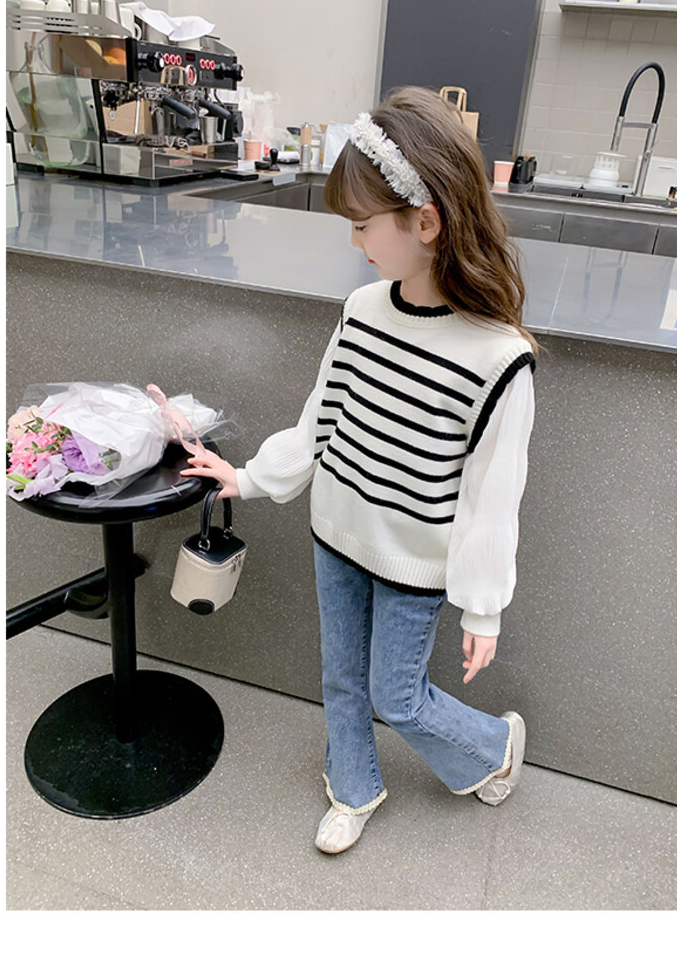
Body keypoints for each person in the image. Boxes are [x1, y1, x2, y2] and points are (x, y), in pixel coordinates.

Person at [180, 86, 543, 855]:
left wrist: (482, 607)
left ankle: (494, 746)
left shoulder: (499, 358)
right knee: (341, 677)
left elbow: (493, 497)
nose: (354, 241)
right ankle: (352, 784)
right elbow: (321, 420)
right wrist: (248, 477)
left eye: (362, 224)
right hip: (335, 532)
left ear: (426, 222)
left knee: (397, 696)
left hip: (415, 563)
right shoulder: (362, 312)